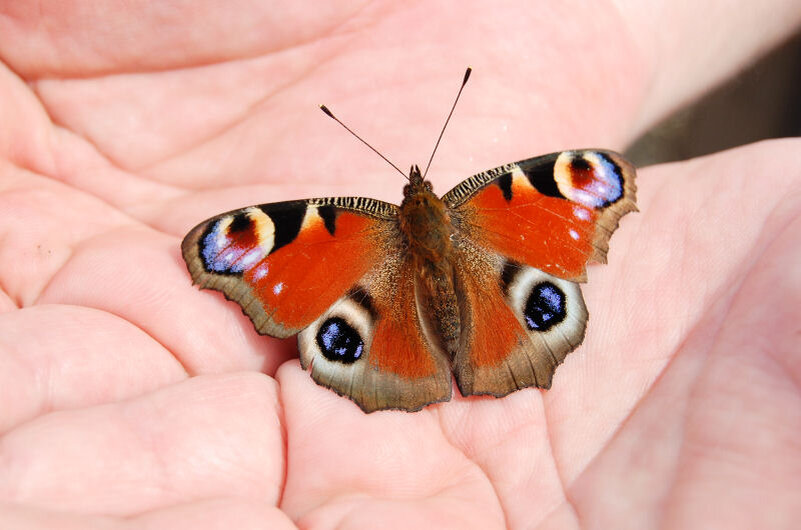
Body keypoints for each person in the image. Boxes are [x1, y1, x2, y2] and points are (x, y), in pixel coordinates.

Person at [0, 2, 799, 528]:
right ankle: (479, 348)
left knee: (359, 314)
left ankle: (426, 357)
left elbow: (593, 176)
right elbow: (228, 243)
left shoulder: (346, 227)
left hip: (389, 304)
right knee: (515, 287)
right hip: (496, 286)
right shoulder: (494, 202)